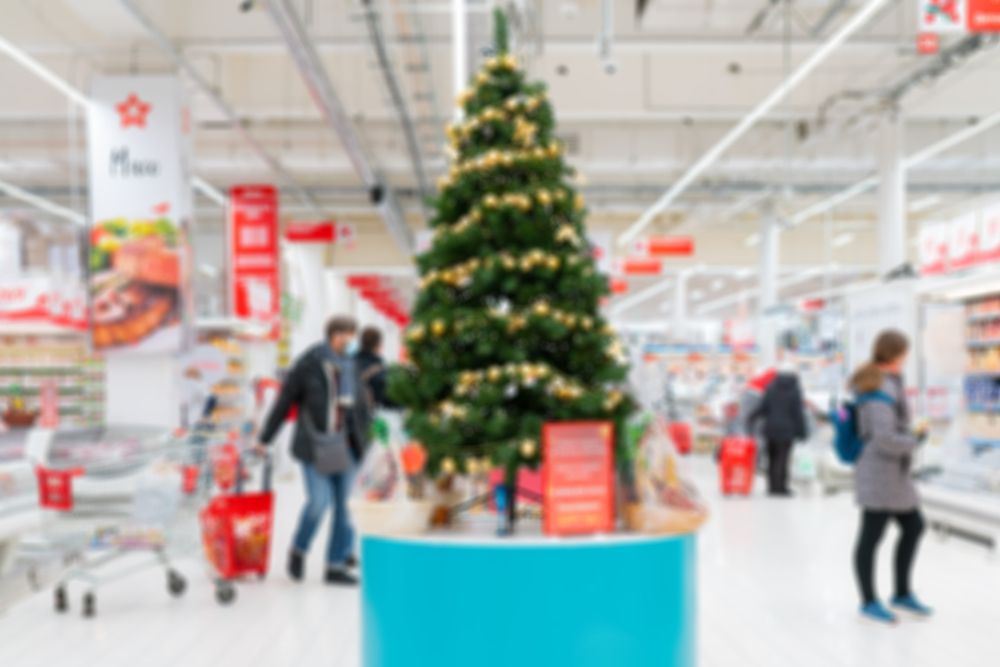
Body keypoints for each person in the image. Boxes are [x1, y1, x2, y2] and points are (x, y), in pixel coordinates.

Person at [255, 316, 371, 586]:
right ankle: (299, 547)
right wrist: (265, 439)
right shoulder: (309, 364)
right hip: (315, 446)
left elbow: (361, 408)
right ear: (334, 335)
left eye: (354, 335)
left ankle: (335, 565)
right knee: (319, 502)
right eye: (348, 335)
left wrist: (368, 441)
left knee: (346, 507)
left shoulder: (352, 366)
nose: (352, 341)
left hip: (348, 445)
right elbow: (284, 402)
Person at [850, 329, 931, 624]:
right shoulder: (879, 387)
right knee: (872, 536)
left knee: (914, 526)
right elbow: (884, 437)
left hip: (893, 475)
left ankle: (901, 592)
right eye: (904, 354)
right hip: (879, 474)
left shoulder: (885, 381)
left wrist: (910, 433)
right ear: (896, 354)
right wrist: (915, 441)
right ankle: (869, 601)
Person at [747, 367, 806, 496]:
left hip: (770, 429)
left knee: (771, 458)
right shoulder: (795, 390)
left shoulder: (770, 388)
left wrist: (751, 417)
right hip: (787, 430)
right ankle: (781, 488)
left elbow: (763, 407)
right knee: (783, 459)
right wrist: (802, 431)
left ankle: (772, 487)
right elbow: (797, 413)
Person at [355, 326, 395, 411]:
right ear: (378, 344)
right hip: (371, 413)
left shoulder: (351, 361)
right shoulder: (379, 368)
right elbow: (386, 396)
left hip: (353, 412)